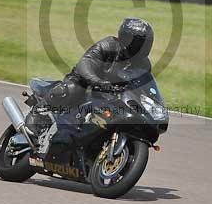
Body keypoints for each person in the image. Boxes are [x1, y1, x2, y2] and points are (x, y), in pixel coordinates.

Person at [34, 17, 154, 156]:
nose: (142, 46)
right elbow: (86, 63)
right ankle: (36, 115)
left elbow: (143, 87)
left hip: (111, 97)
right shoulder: (109, 45)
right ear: (126, 38)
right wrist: (99, 82)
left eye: (145, 43)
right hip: (86, 85)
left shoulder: (144, 65)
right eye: (139, 42)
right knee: (72, 88)